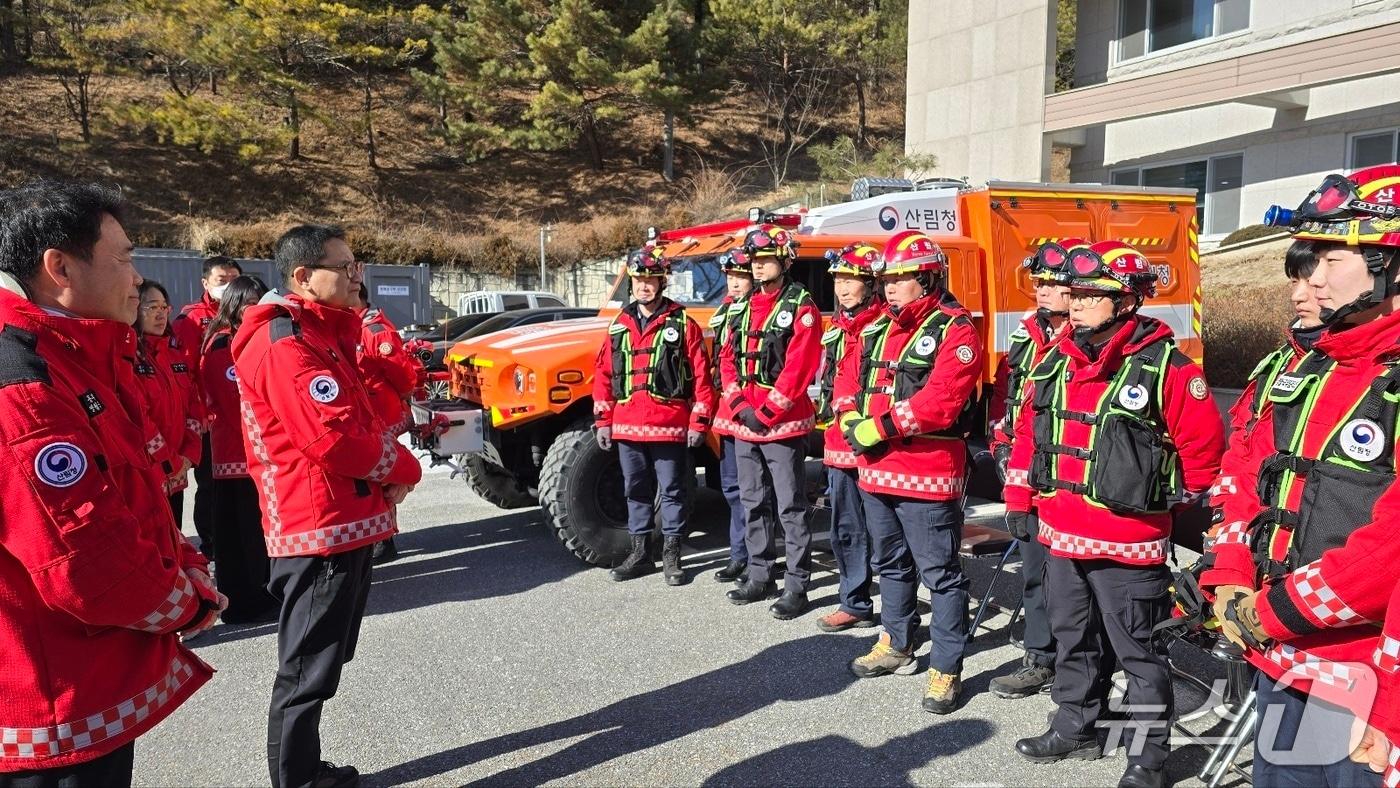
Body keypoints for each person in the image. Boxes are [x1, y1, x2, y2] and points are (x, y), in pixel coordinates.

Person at [0, 181, 223, 787]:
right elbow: (84, 555)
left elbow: (134, 489)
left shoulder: (75, 354)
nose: (137, 278)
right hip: (53, 696)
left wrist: (183, 560)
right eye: (123, 258)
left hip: (83, 674)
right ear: (59, 267)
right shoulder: (23, 377)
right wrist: (186, 599)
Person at [1200, 165, 1400, 788]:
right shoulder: (1297, 370)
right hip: (1284, 660)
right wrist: (1232, 577)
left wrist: (1272, 609)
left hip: (1368, 684)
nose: (1305, 281)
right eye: (1304, 258)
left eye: (1329, 258)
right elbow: (1242, 476)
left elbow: (1390, 552)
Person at [1005, 240, 1224, 788]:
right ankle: (1075, 725)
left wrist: (1183, 510)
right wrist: (1019, 501)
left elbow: (1203, 452)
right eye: (1074, 293)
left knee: (1140, 654)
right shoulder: (1056, 356)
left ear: (1125, 302)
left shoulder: (1169, 367)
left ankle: (1149, 759)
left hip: (1127, 539)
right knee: (1071, 636)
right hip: (1059, 531)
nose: (1075, 303)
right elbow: (1032, 436)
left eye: (1091, 294)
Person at [233, 224, 422, 788]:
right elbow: (332, 438)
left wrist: (385, 470)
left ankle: (306, 769)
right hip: (317, 526)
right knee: (305, 668)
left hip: (344, 519)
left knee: (324, 661)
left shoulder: (322, 333)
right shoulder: (286, 341)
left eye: (355, 265)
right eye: (344, 267)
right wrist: (402, 468)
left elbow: (360, 417)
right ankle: (297, 779)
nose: (354, 276)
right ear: (302, 277)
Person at [835, 230, 982, 715]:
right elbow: (847, 377)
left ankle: (946, 666)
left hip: (928, 471)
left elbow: (941, 402)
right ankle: (896, 643)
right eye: (887, 279)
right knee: (890, 564)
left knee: (940, 573)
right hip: (876, 471)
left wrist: (877, 427)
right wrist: (848, 418)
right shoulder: (877, 327)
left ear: (927, 277)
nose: (890, 287)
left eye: (901, 278)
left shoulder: (955, 330)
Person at [985, 239, 1085, 699]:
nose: (1042, 291)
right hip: (1029, 476)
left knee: (1078, 587)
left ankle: (1080, 668)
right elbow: (1008, 403)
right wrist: (1001, 448)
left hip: (1077, 484)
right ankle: (1039, 658)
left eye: (1053, 283)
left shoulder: (1088, 343)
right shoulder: (1027, 336)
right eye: (1039, 282)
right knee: (1034, 573)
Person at [717, 224, 822, 619]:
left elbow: (800, 366)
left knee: (790, 506)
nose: (758, 268)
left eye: (765, 260)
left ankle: (797, 585)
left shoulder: (801, 306)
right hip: (744, 420)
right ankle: (760, 574)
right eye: (754, 261)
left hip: (782, 424)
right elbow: (726, 358)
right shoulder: (739, 307)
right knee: (752, 501)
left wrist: (766, 412)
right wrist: (740, 404)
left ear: (784, 261)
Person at [593, 245, 715, 584]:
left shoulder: (684, 325)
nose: (645, 286)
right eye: (639, 280)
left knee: (674, 491)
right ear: (631, 282)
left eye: (652, 279)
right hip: (628, 426)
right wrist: (603, 421)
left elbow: (702, 378)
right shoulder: (618, 325)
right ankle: (640, 553)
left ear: (663, 282)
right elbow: (603, 375)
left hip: (669, 427)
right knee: (635, 490)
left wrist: (698, 422)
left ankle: (672, 555)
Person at [200, 275, 277, 624]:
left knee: (253, 528)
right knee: (241, 531)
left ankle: (258, 591)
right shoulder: (221, 347)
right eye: (249, 301)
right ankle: (246, 600)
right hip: (237, 455)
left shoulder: (243, 340)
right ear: (233, 305)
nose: (256, 307)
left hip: (251, 452)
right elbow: (234, 405)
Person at [813, 243, 882, 633]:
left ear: (871, 283)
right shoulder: (836, 325)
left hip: (875, 446)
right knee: (846, 528)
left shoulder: (884, 325)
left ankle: (897, 609)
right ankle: (854, 601)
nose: (842, 287)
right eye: (838, 278)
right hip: (839, 445)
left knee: (888, 535)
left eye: (851, 279)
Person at [173, 255, 243, 559]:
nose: (227, 286)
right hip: (209, 419)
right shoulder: (190, 320)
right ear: (205, 283)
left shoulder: (243, 314)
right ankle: (212, 540)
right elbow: (183, 371)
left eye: (233, 279)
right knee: (211, 484)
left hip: (242, 414)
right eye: (221, 280)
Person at [353, 282, 425, 564]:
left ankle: (384, 540)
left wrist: (405, 397)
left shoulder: (374, 330)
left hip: (382, 414)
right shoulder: (351, 326)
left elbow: (402, 374)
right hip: (367, 414)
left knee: (382, 478)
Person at [132, 279, 206, 525]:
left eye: (164, 307)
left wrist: (187, 455)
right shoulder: (128, 358)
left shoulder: (175, 355)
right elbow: (139, 419)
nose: (160, 314)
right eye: (152, 307)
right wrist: (169, 461)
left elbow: (193, 408)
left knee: (176, 539)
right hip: (149, 474)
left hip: (177, 472)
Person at [709, 250, 754, 583]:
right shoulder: (725, 311)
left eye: (741, 276)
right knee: (732, 488)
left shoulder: (761, 311)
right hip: (726, 413)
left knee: (756, 490)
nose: (735, 283)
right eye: (730, 277)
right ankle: (739, 553)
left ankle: (756, 556)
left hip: (750, 411)